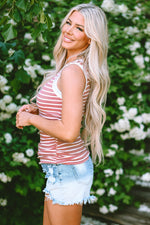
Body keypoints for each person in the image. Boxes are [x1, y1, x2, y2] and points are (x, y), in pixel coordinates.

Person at [16, 3, 110, 225]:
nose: (68, 30)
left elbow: (68, 131)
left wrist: (31, 119)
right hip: (60, 168)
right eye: (69, 22)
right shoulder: (70, 67)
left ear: (90, 38)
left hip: (67, 168)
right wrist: (39, 109)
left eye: (79, 28)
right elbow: (66, 109)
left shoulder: (72, 72)